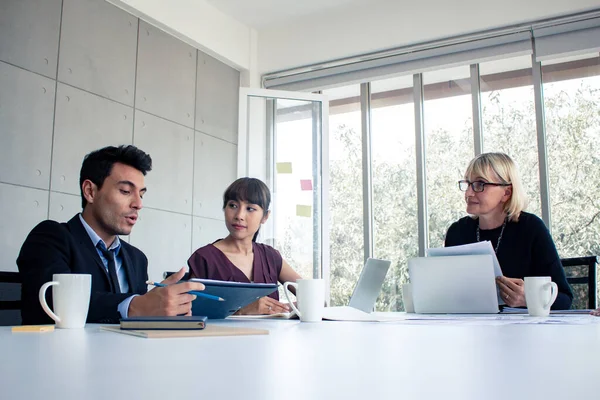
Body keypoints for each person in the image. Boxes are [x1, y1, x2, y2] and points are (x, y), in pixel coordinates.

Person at [17, 145, 205, 325]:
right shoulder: (50, 237)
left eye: (142, 194)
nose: (138, 204)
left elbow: (135, 323)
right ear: (90, 191)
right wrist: (136, 306)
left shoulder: (137, 259)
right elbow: (55, 302)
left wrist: (164, 310)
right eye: (125, 191)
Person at [444, 152, 573, 310]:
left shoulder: (531, 228)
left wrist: (530, 298)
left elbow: (565, 299)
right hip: (470, 329)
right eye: (468, 184)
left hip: (522, 332)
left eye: (479, 184)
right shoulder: (457, 231)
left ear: (506, 192)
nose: (468, 193)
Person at [187, 177, 302, 315]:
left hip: (271, 336)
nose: (239, 215)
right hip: (219, 336)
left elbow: (314, 296)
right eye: (233, 205)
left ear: (265, 216)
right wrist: (240, 311)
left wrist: (284, 308)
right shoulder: (205, 258)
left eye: (250, 208)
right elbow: (190, 312)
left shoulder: (271, 256)